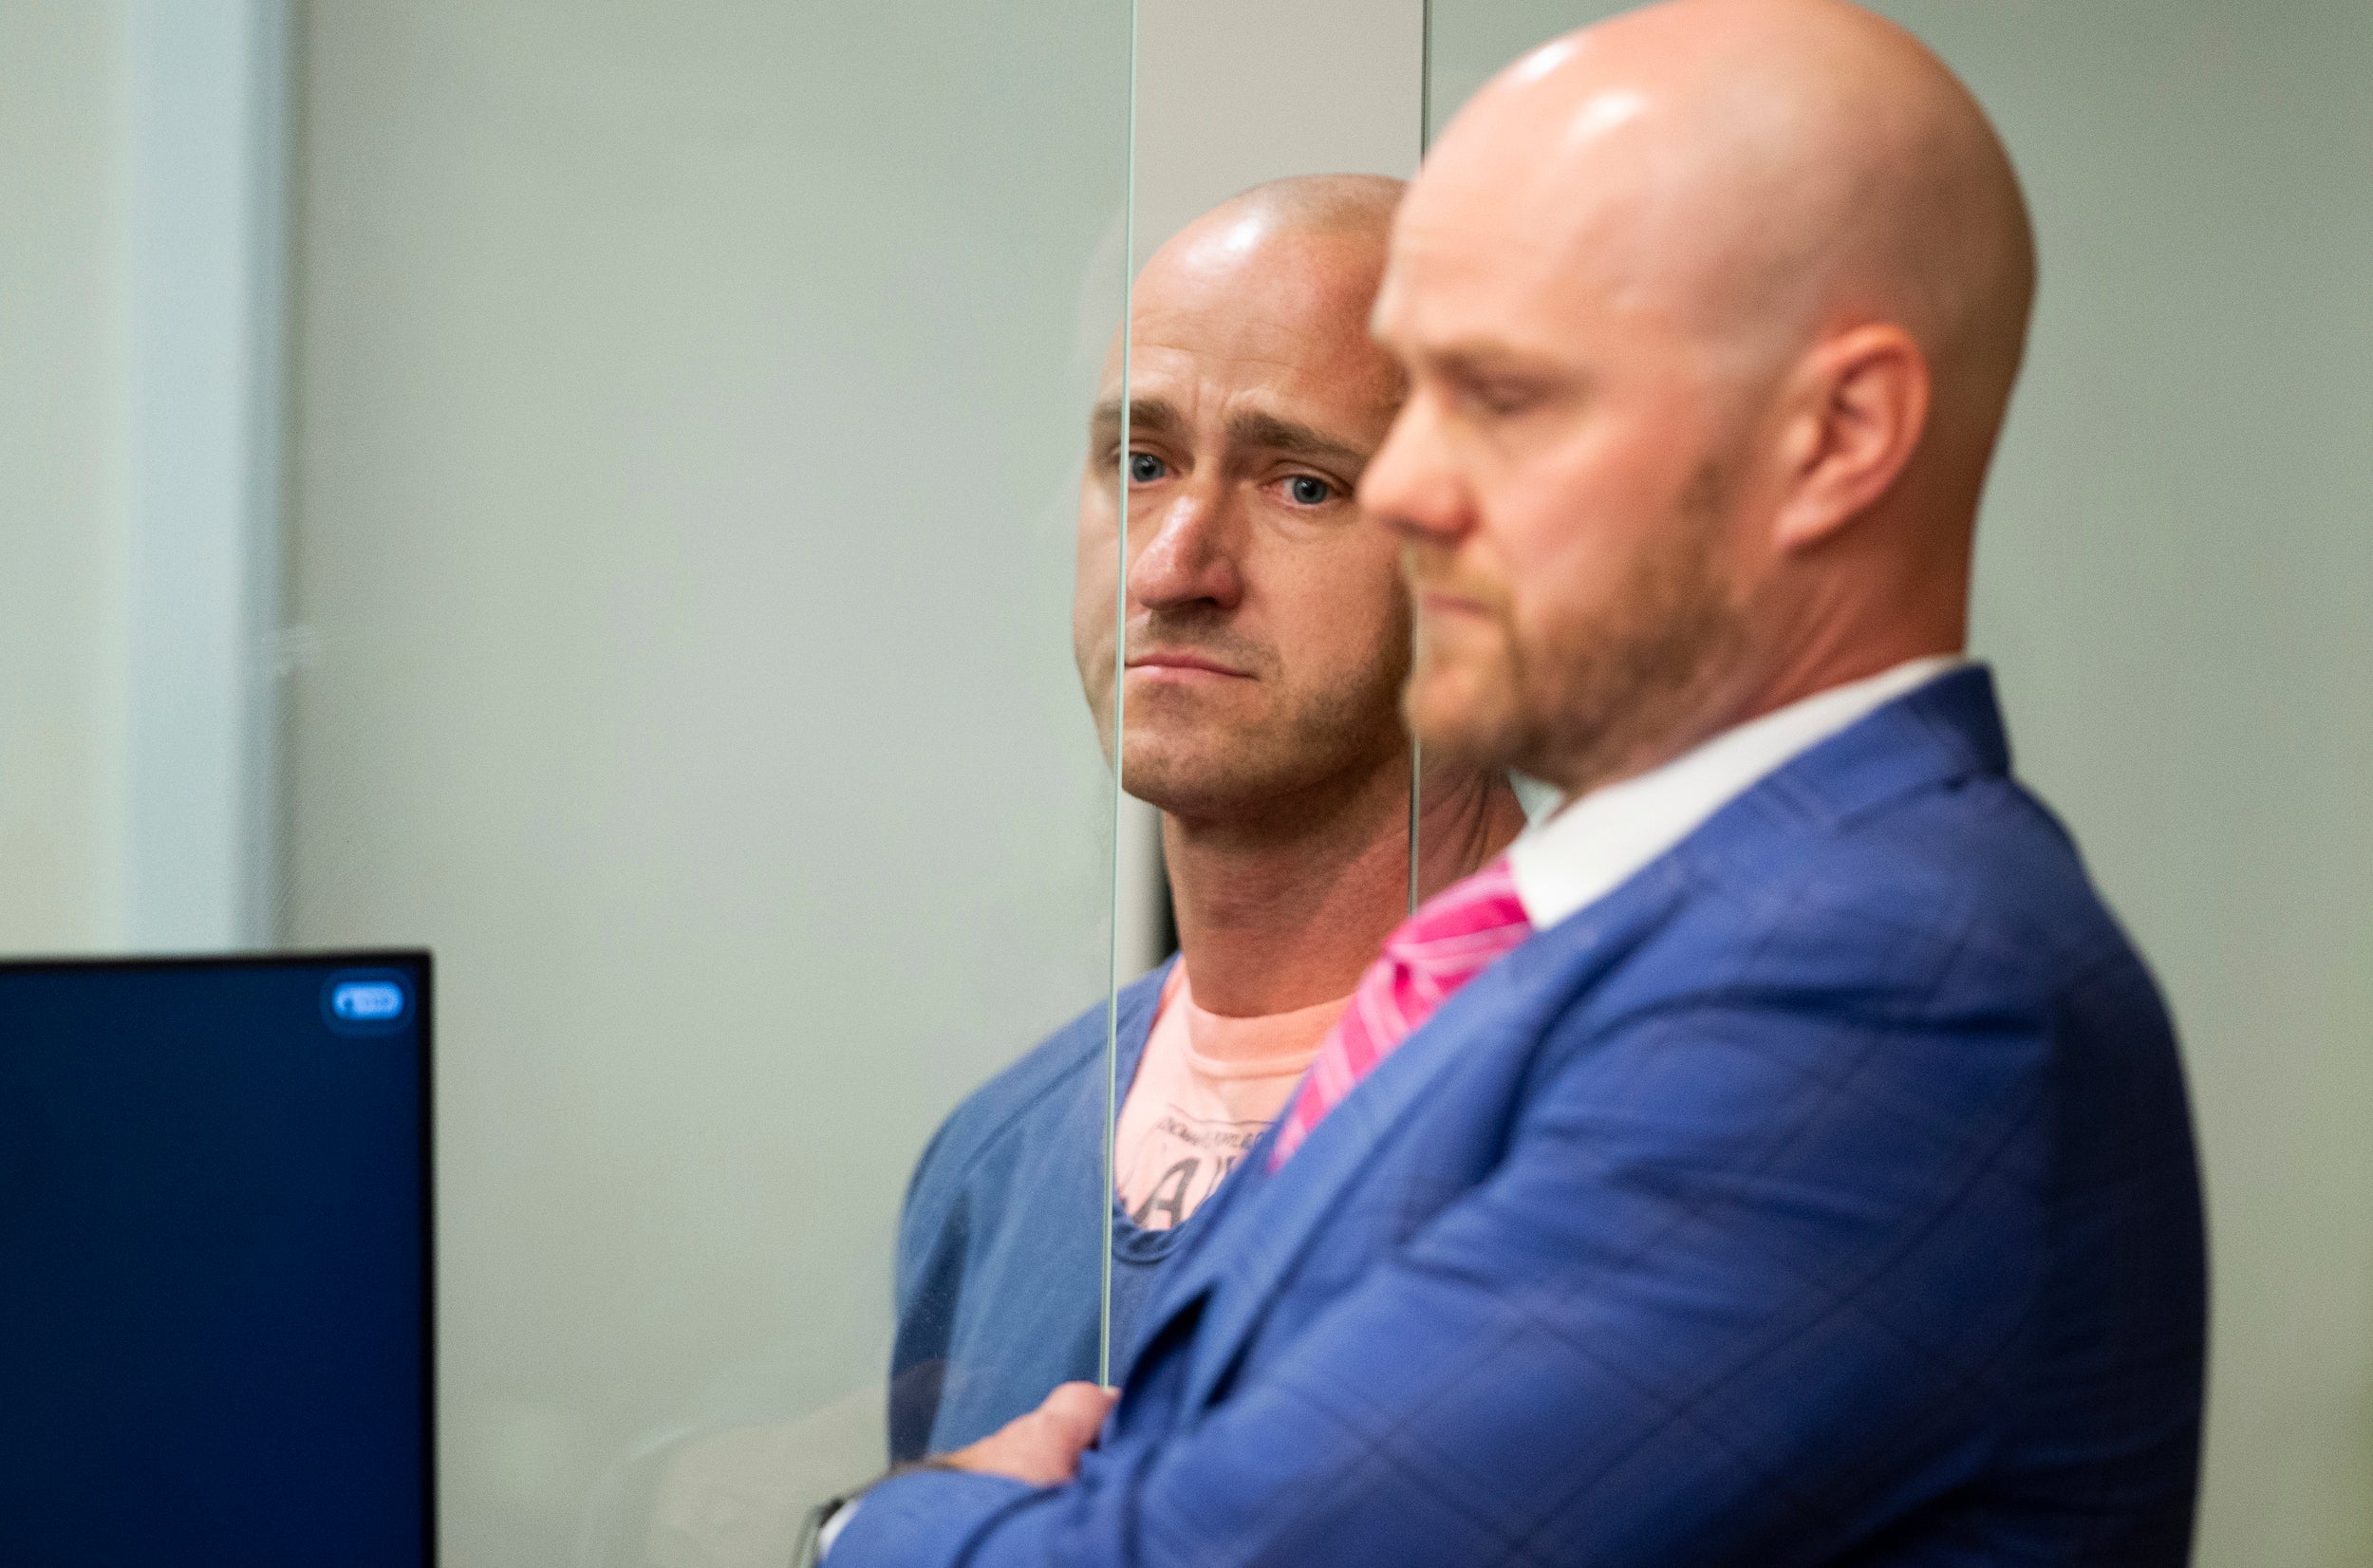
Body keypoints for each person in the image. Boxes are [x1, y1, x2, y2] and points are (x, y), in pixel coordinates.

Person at [826, 0, 2208, 1562]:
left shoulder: (1888, 981)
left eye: (1501, 395)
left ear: (1840, 433)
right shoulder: (1032, 1137)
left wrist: (868, 1537)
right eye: (1134, 460)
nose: (1409, 487)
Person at [887, 175, 1527, 1462]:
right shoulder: (995, 1164)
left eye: (1302, 485)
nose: (1174, 565)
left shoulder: (1617, 1101)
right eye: (1140, 462)